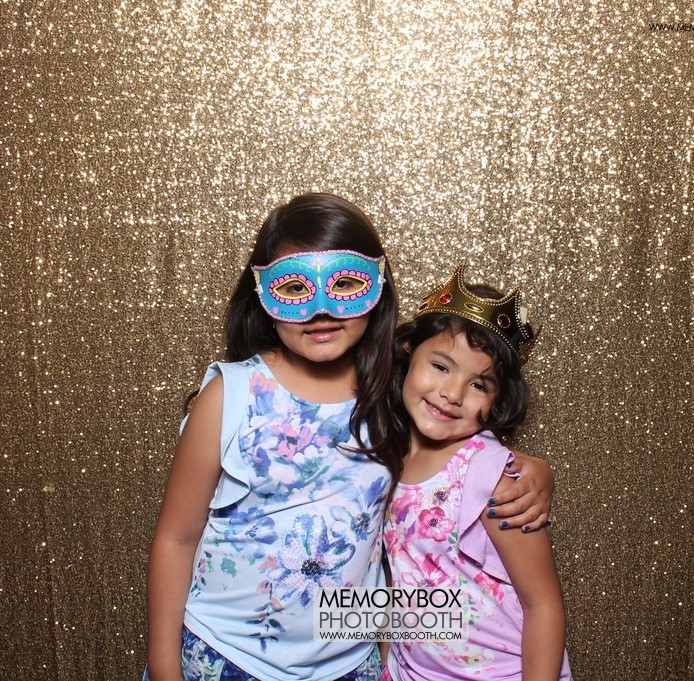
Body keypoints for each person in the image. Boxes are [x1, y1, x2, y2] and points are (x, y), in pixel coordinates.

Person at [145, 193, 554, 681]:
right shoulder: (230, 395)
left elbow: (455, 447)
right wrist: (165, 671)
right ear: (262, 293)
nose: (321, 310)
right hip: (224, 655)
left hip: (349, 664)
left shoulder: (392, 394)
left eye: (344, 283)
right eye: (294, 287)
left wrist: (531, 470)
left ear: (377, 285)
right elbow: (176, 537)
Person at [381, 266, 572, 681]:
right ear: (408, 354)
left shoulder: (494, 476)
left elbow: (543, 604)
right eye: (441, 366)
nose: (452, 394)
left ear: (498, 399)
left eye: (479, 385)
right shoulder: (386, 458)